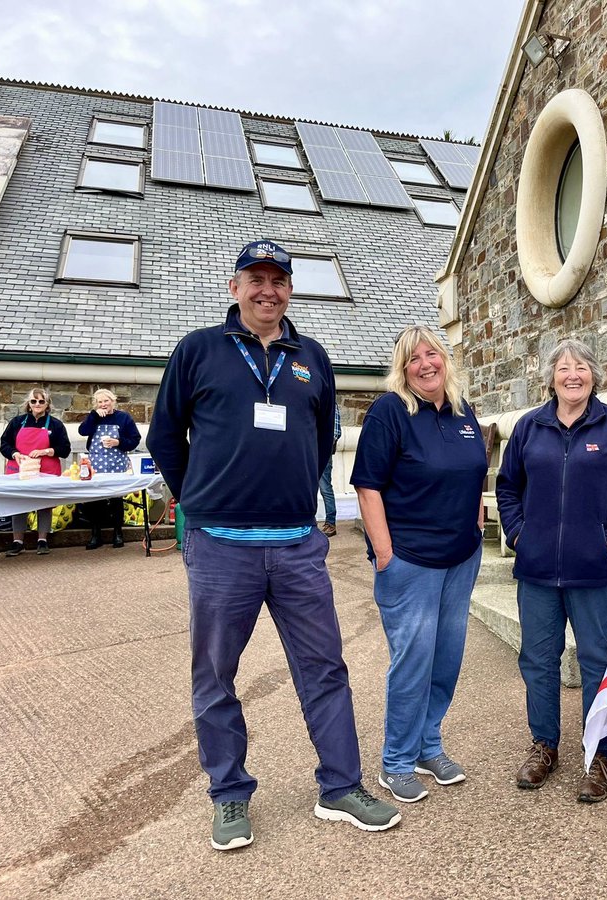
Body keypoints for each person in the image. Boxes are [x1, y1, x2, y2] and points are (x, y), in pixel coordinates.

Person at [147, 239, 399, 851]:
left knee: (325, 669)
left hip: (295, 546)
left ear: (290, 288)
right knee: (215, 674)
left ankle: (340, 786)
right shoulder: (198, 351)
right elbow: (164, 439)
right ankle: (229, 796)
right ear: (234, 287)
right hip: (220, 548)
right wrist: (202, 501)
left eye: (279, 280)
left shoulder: (311, 356)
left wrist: (291, 497)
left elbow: (318, 442)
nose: (268, 290)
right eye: (255, 279)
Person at [495, 338, 607, 803]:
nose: (572, 375)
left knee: (597, 664)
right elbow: (507, 488)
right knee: (538, 662)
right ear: (551, 377)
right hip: (537, 570)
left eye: (581, 367)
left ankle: (600, 755)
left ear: (594, 375)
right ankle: (545, 745)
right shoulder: (529, 428)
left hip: (593, 570)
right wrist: (519, 534)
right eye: (563, 368)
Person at [351, 325, 486, 805]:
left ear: (445, 361)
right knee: (413, 663)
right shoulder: (389, 412)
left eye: (433, 354)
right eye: (415, 359)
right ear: (402, 369)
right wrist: (385, 555)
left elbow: (475, 475)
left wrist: (476, 530)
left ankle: (429, 745)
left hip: (460, 558)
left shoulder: (463, 411)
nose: (426, 364)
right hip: (410, 562)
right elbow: (367, 487)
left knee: (446, 660)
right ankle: (397, 762)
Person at [0, 388, 71, 557]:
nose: (37, 404)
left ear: (47, 405)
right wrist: (14, 453)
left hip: (46, 470)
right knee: (18, 503)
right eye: (34, 401)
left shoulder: (56, 425)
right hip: (20, 468)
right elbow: (4, 444)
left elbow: (65, 449)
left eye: (41, 401)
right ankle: (17, 541)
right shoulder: (17, 422)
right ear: (28, 404)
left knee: (44, 503)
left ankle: (42, 540)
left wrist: (47, 451)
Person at [78, 388, 142, 549]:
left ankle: (118, 533)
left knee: (116, 499)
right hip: (96, 464)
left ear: (113, 401)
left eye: (106, 400)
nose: (103, 404)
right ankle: (95, 534)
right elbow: (82, 431)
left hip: (116, 463)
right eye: (100, 402)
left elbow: (135, 439)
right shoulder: (94, 417)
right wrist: (93, 416)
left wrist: (118, 442)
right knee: (95, 499)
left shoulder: (123, 418)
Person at [318, 405, 340, 537]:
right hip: (309, 450)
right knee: (308, 488)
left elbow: (335, 432)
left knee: (325, 488)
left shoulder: (331, 403)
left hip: (322, 451)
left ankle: (330, 523)